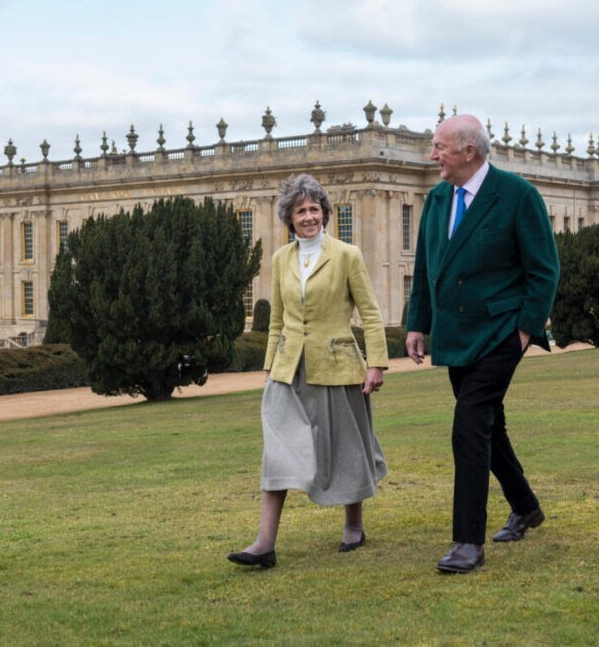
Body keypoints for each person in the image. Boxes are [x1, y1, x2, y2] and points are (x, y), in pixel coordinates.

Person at [405, 114, 559, 573]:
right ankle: (526, 507)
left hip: (500, 333)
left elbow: (543, 268)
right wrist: (417, 324)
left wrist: (526, 329)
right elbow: (426, 267)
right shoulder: (435, 199)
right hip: (456, 336)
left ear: (469, 151)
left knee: (469, 426)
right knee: (490, 427)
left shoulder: (517, 195)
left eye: (439, 147)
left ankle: (467, 541)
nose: (433, 155)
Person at [228, 173, 390, 569]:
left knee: (346, 447)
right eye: (300, 210)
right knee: (277, 452)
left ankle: (354, 524)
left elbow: (369, 313)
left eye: (315, 209)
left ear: (325, 213)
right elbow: (278, 320)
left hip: (337, 365)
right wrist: (270, 368)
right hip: (288, 369)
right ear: (289, 217)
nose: (308, 216)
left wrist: (377, 363)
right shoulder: (281, 258)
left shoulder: (347, 255)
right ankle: (264, 544)